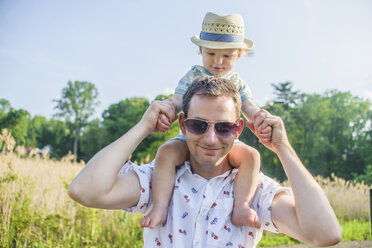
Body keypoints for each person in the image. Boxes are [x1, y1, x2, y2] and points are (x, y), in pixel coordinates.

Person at [69, 76, 341, 248]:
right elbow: (84, 190)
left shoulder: (255, 191)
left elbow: (325, 234)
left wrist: (283, 148)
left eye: (223, 128)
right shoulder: (157, 180)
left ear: (238, 130)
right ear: (183, 125)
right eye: (199, 125)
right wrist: (142, 127)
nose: (211, 139)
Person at [143, 12, 269, 229]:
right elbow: (178, 99)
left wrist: (259, 116)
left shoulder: (237, 81)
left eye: (227, 56)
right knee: (166, 152)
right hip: (192, 135)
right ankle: (160, 207)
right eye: (211, 53)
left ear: (238, 55)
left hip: (225, 135)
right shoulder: (194, 75)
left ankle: (241, 207)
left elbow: (247, 105)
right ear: (201, 50)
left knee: (251, 156)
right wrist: (167, 112)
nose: (218, 62)